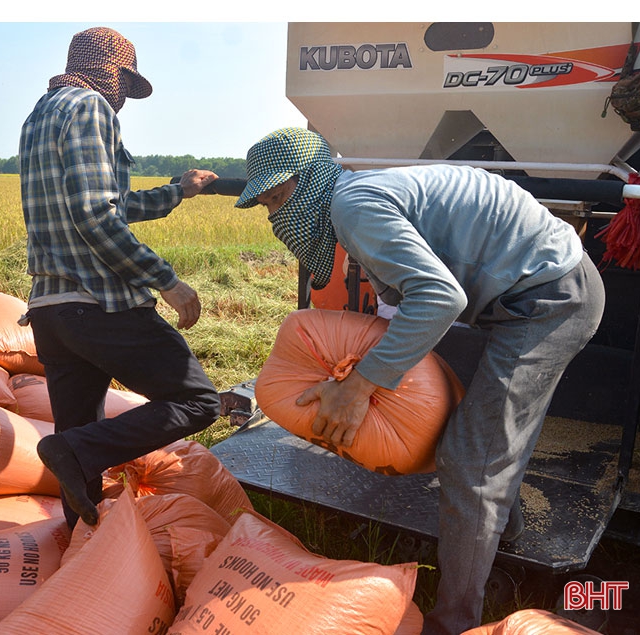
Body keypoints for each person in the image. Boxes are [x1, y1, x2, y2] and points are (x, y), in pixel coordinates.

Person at [236, 127, 604, 635]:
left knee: (470, 459)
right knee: (483, 432)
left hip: (549, 299)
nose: (277, 217)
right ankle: (501, 531)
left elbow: (440, 298)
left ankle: (452, 622)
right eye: (267, 206)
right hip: (519, 292)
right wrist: (365, 369)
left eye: (279, 198)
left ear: (310, 178)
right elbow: (404, 301)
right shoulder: (358, 198)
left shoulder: (351, 207)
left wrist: (358, 386)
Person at [19, 27, 223, 527]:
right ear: (108, 71)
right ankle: (75, 452)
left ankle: (83, 547)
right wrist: (165, 279)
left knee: (77, 442)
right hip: (99, 302)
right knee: (198, 400)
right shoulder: (90, 108)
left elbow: (111, 204)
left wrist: (178, 191)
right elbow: (95, 215)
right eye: (124, 84)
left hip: (51, 310)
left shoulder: (38, 115)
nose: (124, 99)